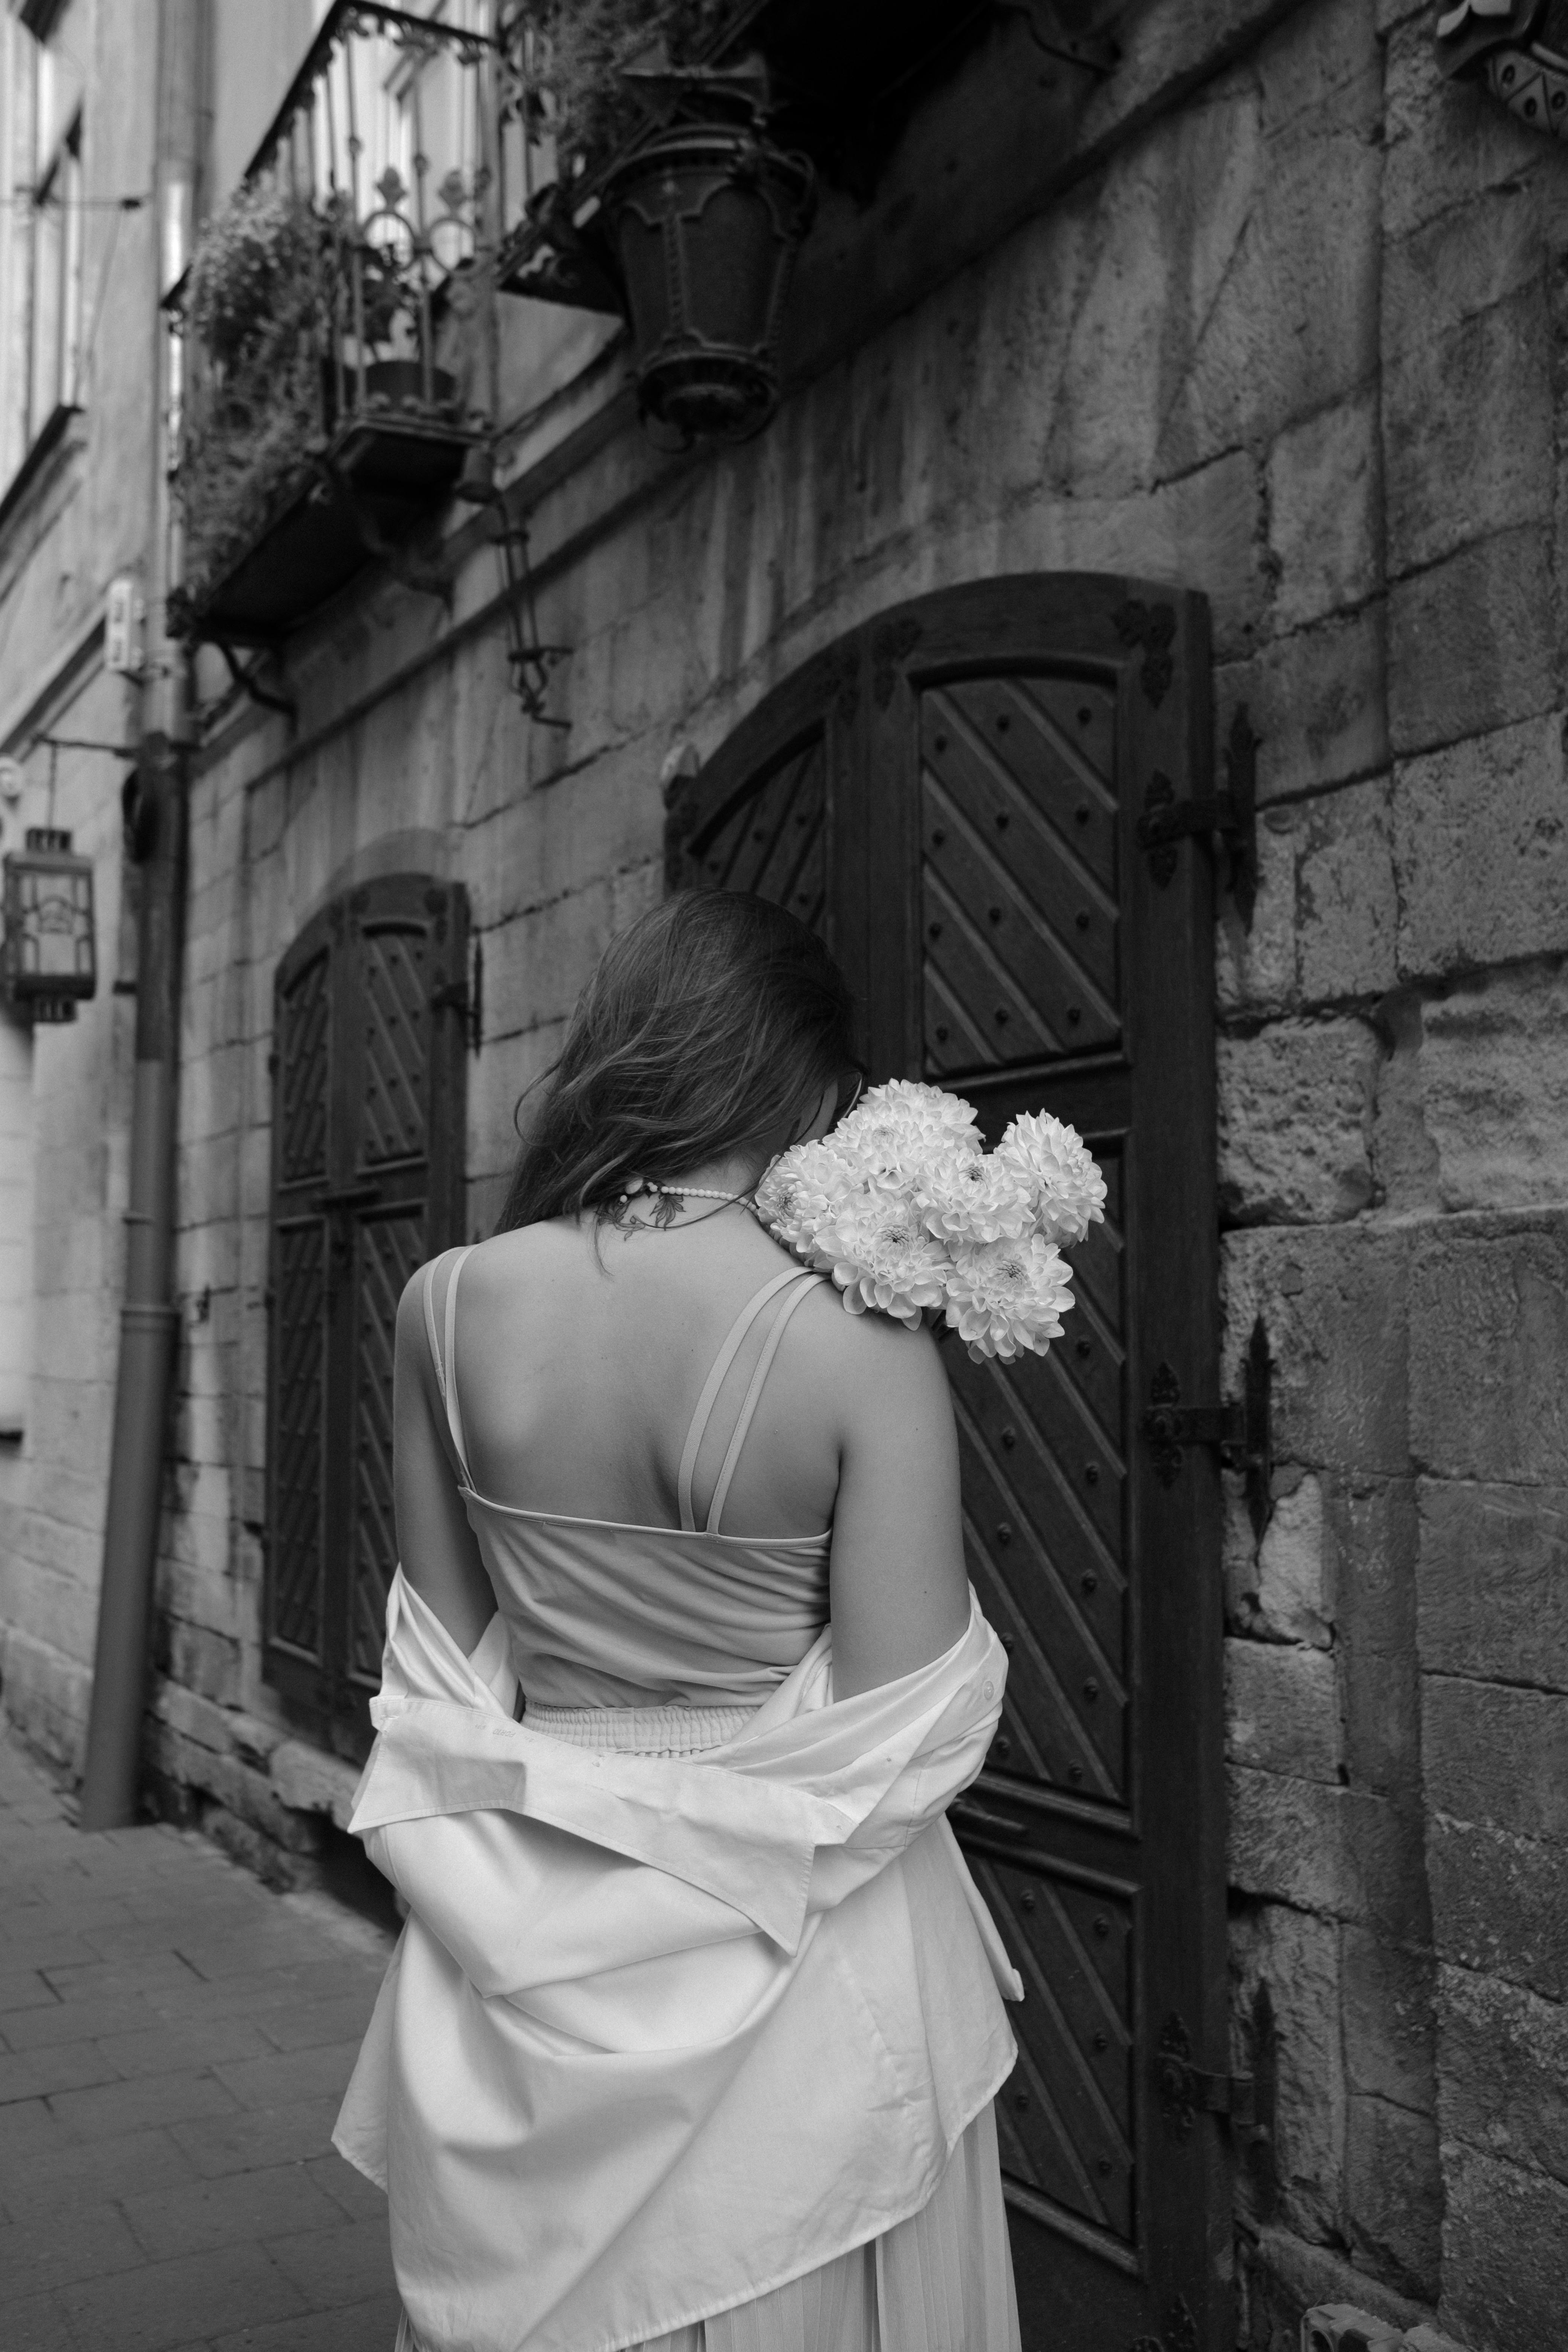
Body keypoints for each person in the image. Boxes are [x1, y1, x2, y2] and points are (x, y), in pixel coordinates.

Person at [335, 889, 1024, 2352]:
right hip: (799, 1985)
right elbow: (900, 1735)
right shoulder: (859, 1344)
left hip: (522, 1927)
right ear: (806, 1084)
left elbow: (439, 1689)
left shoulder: (444, 1307)